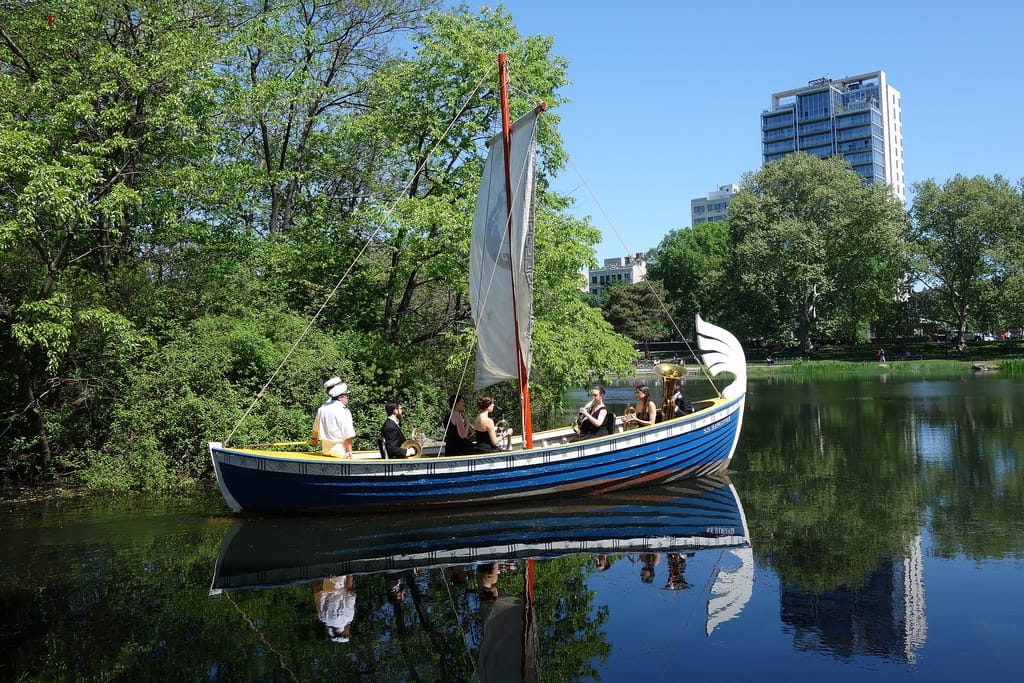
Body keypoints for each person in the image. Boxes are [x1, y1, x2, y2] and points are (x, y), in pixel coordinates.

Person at [310, 378, 355, 457]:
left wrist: (313, 440)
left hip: (325, 450)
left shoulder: (322, 409)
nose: (348, 397)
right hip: (340, 452)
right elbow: (348, 435)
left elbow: (315, 429)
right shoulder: (344, 411)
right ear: (341, 396)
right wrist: (349, 451)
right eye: (347, 395)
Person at [312, 575, 355, 643]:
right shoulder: (323, 619)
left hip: (341, 578)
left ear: (344, 634)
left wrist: (349, 575)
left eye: (348, 634)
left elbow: (349, 594)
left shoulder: (348, 618)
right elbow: (316, 594)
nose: (349, 631)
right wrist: (313, 579)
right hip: (326, 578)